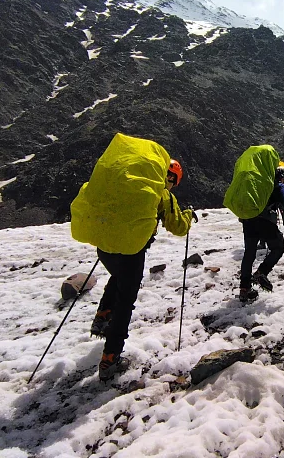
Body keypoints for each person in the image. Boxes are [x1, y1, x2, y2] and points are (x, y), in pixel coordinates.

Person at [70, 134, 194, 382]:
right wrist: (189, 215)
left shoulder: (125, 185)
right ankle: (110, 358)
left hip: (104, 248)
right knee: (126, 300)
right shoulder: (162, 195)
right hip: (132, 252)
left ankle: (103, 315)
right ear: (172, 179)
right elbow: (179, 227)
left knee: (117, 277)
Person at [235, 157, 284, 301]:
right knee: (278, 247)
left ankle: (244, 289)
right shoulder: (280, 185)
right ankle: (262, 272)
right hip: (265, 221)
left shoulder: (260, 184)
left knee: (249, 254)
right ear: (283, 177)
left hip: (248, 220)